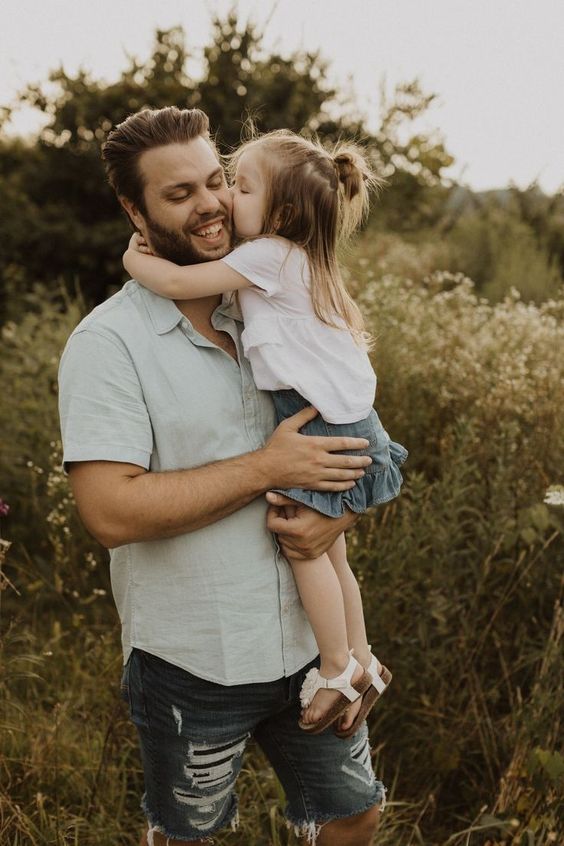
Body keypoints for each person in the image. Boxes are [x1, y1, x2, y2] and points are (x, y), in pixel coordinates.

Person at [58, 106, 387, 846]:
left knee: (355, 812)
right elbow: (109, 512)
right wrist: (265, 469)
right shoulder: (108, 345)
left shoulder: (272, 302)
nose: (210, 203)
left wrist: (338, 514)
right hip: (195, 659)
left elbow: (341, 440)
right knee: (188, 837)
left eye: (217, 181)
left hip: (307, 648)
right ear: (132, 209)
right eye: (179, 195)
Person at [123, 127, 407, 737]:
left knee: (300, 546)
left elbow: (175, 284)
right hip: (350, 419)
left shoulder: (265, 256)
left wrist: (133, 258)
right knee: (334, 555)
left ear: (278, 212)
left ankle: (333, 667)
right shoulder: (304, 258)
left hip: (319, 421)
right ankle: (361, 656)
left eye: (237, 185)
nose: (227, 200)